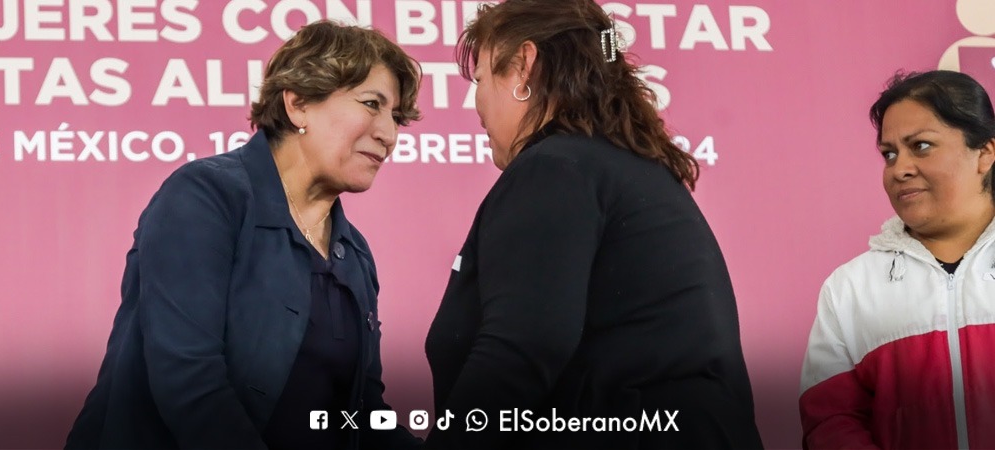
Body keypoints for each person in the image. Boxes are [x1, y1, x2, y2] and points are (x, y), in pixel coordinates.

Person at [64, 20, 422, 449]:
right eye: (371, 104)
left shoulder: (354, 252)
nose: (389, 134)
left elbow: (361, 414)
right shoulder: (205, 197)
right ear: (298, 103)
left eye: (396, 117)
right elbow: (190, 382)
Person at [423, 1, 764, 448]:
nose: (476, 103)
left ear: (524, 65)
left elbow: (521, 350)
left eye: (481, 79)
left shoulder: (554, 169)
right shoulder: (622, 170)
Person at [799, 70, 995, 449]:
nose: (899, 169)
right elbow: (829, 421)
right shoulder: (850, 289)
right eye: (889, 154)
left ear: (985, 153)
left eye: (921, 146)